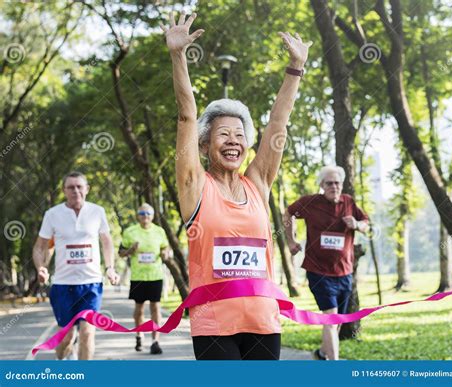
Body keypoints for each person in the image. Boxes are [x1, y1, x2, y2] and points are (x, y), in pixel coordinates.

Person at [160, 11, 311, 360]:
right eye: (223, 134)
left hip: (263, 321)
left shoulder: (257, 183)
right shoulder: (195, 186)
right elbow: (186, 114)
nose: (233, 141)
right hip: (214, 324)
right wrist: (178, 55)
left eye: (240, 135)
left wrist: (295, 68)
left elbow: (278, 124)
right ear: (204, 145)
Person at [283, 165, 369, 360]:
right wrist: (290, 240)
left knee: (335, 321)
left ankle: (323, 353)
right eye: (329, 183)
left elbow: (365, 223)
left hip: (344, 272)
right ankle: (334, 365)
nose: (334, 187)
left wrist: (356, 225)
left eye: (337, 183)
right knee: (331, 318)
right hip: (318, 271)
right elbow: (288, 213)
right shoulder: (311, 202)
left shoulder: (348, 202)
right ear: (321, 185)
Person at [32, 171, 120, 360]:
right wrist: (41, 267)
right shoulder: (53, 214)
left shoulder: (97, 211)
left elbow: (106, 242)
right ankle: (64, 361)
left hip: (91, 284)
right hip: (63, 284)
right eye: (71, 187)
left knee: (88, 332)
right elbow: (40, 246)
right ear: (64, 190)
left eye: (79, 186)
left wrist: (110, 267)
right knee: (66, 337)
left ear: (87, 189)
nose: (75, 191)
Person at [118, 203, 169, 355]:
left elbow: (165, 248)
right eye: (142, 213)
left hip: (155, 275)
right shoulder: (130, 232)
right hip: (138, 276)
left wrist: (166, 253)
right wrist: (130, 250)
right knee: (139, 309)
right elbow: (120, 253)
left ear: (152, 215)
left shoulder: (159, 231)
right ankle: (139, 335)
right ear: (137, 215)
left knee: (155, 307)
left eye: (148, 213)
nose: (145, 216)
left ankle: (155, 341)